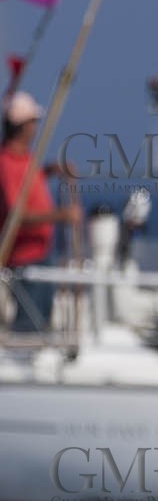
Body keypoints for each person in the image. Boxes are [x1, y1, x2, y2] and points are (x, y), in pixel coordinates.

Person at [0, 91, 79, 332]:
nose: (36, 128)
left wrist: (49, 171)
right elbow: (16, 215)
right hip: (24, 258)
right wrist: (61, 215)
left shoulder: (24, 158)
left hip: (41, 253)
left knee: (42, 319)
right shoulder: (6, 162)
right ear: (23, 126)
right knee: (29, 325)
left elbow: (28, 183)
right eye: (33, 122)